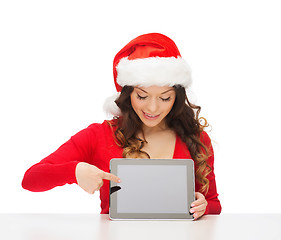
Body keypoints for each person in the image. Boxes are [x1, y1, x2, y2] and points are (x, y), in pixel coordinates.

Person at [22, 33, 221, 220]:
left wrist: (203, 207)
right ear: (127, 93)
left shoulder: (197, 139)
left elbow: (214, 204)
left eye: (165, 97)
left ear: (177, 97)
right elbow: (30, 179)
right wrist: (74, 171)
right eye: (142, 96)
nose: (153, 107)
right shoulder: (99, 135)